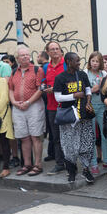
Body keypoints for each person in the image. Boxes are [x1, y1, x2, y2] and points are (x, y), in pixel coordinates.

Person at [53, 52, 96, 184]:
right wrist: (74, 96)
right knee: (68, 145)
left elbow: (88, 90)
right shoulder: (60, 78)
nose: (79, 63)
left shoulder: (82, 75)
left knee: (86, 143)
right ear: (68, 62)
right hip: (68, 117)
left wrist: (88, 102)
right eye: (76, 61)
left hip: (83, 115)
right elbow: (58, 97)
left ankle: (86, 169)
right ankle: (71, 171)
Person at [8, 46, 45, 176]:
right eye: (22, 55)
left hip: (34, 106)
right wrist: (13, 102)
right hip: (18, 107)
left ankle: (38, 165)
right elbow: (11, 89)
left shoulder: (37, 70)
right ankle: (27, 164)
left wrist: (28, 102)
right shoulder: (14, 72)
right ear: (17, 58)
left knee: (35, 136)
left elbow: (40, 89)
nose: (25, 57)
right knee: (24, 137)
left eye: (27, 55)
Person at [43, 41, 70, 175]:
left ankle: (70, 163)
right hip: (52, 107)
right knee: (56, 137)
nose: (54, 51)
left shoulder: (66, 64)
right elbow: (42, 82)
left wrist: (55, 89)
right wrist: (44, 88)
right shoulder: (45, 67)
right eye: (52, 49)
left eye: (57, 49)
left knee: (69, 136)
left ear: (60, 51)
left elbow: (72, 83)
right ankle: (60, 163)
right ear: (47, 52)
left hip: (66, 106)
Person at [85, 51, 107, 173]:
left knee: (105, 134)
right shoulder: (85, 73)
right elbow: (82, 90)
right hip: (90, 106)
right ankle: (93, 163)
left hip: (102, 106)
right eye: (92, 61)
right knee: (92, 136)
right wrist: (91, 90)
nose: (94, 63)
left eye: (97, 61)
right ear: (89, 62)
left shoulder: (103, 73)